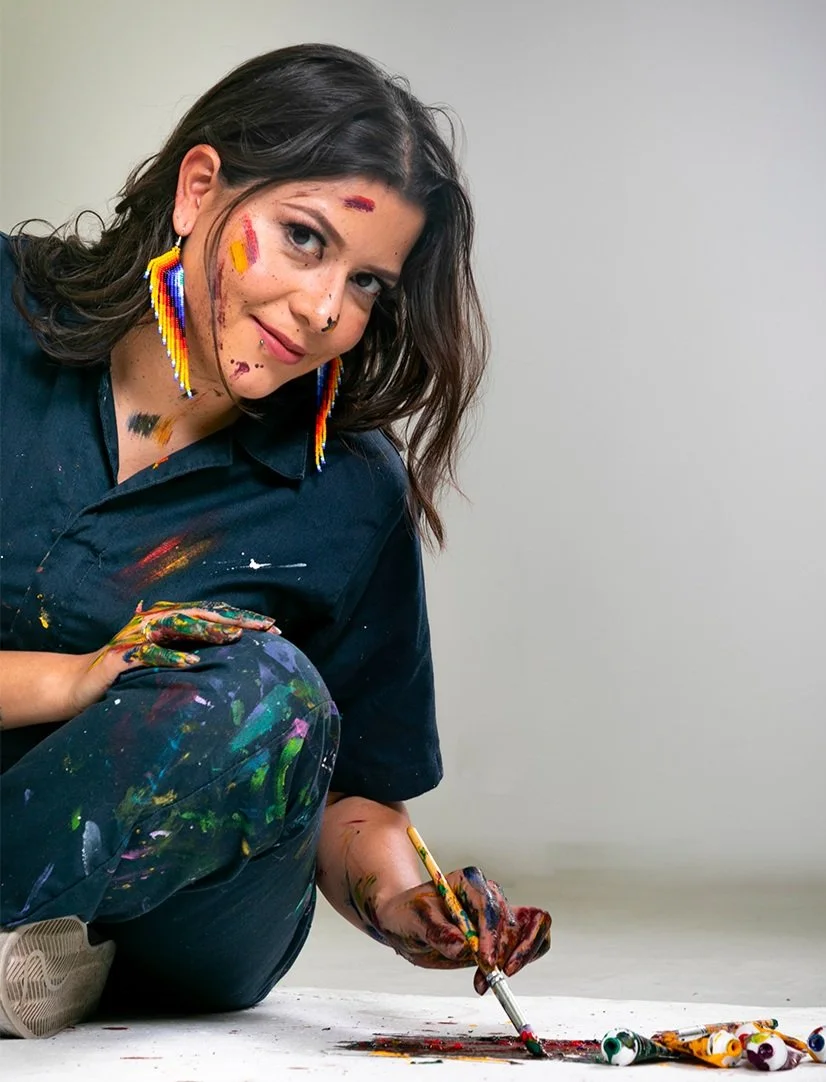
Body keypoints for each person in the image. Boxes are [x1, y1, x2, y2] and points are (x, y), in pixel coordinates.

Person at [0, 43, 551, 1039]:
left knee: (261, 688)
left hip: (183, 916)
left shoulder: (347, 489)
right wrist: (75, 679)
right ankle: (28, 952)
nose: (326, 309)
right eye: (302, 238)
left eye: (369, 284)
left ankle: (37, 937)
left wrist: (404, 901)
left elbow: (342, 792)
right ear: (198, 189)